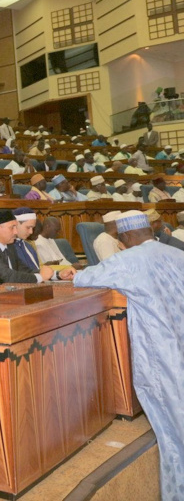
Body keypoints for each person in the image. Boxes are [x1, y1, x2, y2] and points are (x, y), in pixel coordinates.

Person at [72, 210, 184, 501]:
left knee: (173, 433)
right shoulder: (175, 252)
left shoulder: (128, 259)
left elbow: (84, 278)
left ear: (125, 237)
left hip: (161, 358)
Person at [0, 209, 75, 284]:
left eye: (16, 227)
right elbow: (8, 277)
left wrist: (57, 275)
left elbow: (24, 270)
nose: (16, 232)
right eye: (12, 227)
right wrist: (41, 277)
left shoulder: (9, 245)